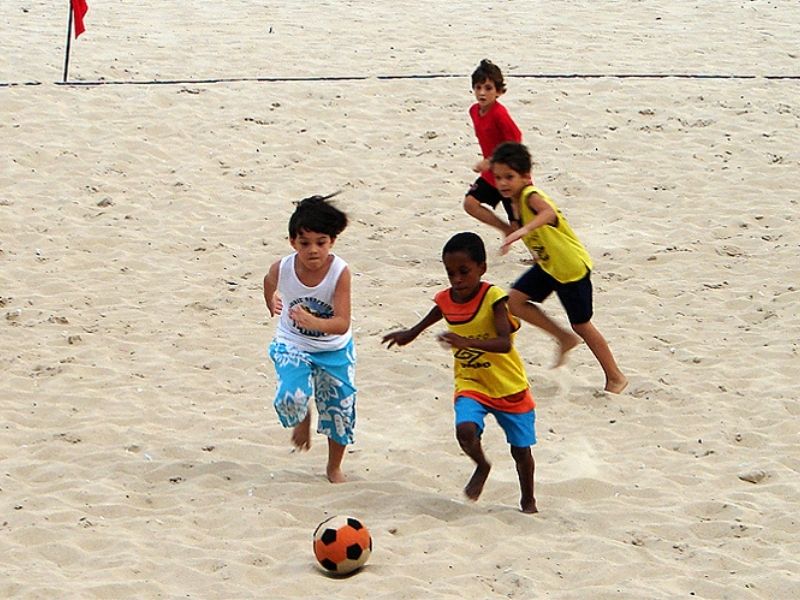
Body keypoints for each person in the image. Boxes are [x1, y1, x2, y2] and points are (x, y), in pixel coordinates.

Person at [382, 232, 538, 513]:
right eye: (450, 272)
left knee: (521, 451)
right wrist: (411, 333)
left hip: (509, 384)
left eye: (464, 271)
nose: (457, 279)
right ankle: (481, 465)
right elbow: (437, 312)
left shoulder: (494, 298)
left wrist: (466, 342)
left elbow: (504, 343)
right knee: (465, 431)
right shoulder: (447, 299)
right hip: (472, 382)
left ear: (482, 268)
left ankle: (528, 500)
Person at [490, 142, 628, 394]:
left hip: (570, 268)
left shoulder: (531, 197)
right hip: (549, 266)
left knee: (582, 324)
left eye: (509, 177)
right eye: (498, 178)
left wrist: (524, 230)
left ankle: (615, 376)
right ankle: (563, 338)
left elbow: (548, 213)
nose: (503, 183)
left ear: (526, 176)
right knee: (514, 301)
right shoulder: (512, 201)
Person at [262, 193, 356, 483]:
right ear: (293, 243)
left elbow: (341, 323)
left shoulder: (340, 272)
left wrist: (313, 321)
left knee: (340, 410)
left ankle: (334, 466)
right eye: (304, 244)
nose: (313, 251)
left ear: (332, 242)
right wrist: (271, 301)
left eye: (321, 243)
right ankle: (302, 417)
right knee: (291, 397)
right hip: (293, 342)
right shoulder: (284, 267)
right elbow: (268, 281)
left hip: (333, 349)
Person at [463, 59, 524, 236]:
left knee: (520, 222)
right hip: (491, 175)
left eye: (488, 88)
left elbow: (516, 142)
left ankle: (538, 255)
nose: (482, 93)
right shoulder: (474, 111)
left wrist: (491, 161)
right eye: (478, 87)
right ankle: (506, 230)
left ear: (499, 91)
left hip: (509, 174)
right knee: (470, 204)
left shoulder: (500, 114)